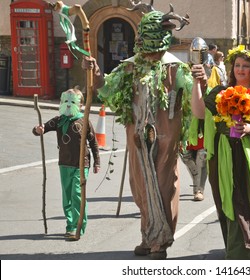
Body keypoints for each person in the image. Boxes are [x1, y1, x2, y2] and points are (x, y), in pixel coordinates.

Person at [85, 2, 191, 259]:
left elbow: (193, 102)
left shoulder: (176, 69)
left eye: (155, 51)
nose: (151, 56)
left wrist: (199, 82)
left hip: (165, 139)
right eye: (147, 50)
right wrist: (97, 76)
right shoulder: (130, 67)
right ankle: (148, 236)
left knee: (163, 187)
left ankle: (161, 241)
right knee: (140, 186)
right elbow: (110, 92)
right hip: (137, 138)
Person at [191, 46, 250, 260]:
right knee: (228, 203)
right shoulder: (221, 92)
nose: (241, 70)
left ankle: (249, 254)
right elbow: (198, 112)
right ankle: (234, 251)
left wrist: (249, 129)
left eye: (246, 66)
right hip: (223, 158)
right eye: (238, 66)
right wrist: (197, 82)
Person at [32, 87, 100, 240]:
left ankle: (78, 227)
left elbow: (94, 143)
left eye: (72, 102)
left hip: (81, 165)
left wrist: (97, 162)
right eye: (65, 101)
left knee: (77, 195)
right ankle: (70, 225)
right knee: (67, 197)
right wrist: (38, 130)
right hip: (64, 164)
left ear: (80, 105)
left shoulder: (84, 120)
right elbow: (42, 129)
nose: (68, 105)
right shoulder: (59, 120)